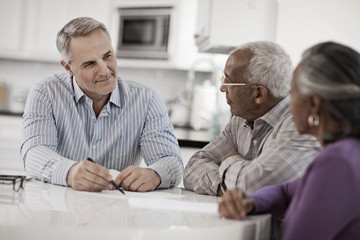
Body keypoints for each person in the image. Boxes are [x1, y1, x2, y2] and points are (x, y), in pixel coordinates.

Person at [20, 17, 183, 192]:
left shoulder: (146, 99)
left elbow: (171, 161)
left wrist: (154, 174)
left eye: (108, 56)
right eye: (90, 63)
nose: (105, 70)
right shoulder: (46, 92)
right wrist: (69, 172)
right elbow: (34, 154)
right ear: (68, 68)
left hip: (118, 211)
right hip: (59, 207)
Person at [218, 41, 360, 239]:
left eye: (293, 93)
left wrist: (228, 163)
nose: (288, 104)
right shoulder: (346, 152)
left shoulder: (338, 162)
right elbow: (286, 192)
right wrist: (251, 202)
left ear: (313, 104)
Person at [183, 41, 320, 196]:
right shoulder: (240, 118)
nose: (222, 88)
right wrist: (224, 188)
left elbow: (256, 186)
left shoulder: (300, 124)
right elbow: (193, 167)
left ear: (258, 94)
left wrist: (230, 161)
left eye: (229, 81)